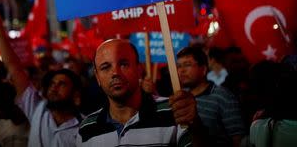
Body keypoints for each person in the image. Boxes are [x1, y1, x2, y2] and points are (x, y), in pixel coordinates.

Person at [76, 39, 207, 146]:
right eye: (105, 67)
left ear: (139, 69)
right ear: (97, 77)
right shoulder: (86, 128)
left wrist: (195, 124)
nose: (115, 73)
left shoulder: (174, 111)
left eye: (124, 64)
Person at [0, 12, 83, 147]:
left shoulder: (86, 128)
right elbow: (14, 67)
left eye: (61, 84)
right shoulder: (37, 109)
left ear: (76, 95)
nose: (53, 87)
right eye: (52, 83)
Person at [177, 46, 246, 147]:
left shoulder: (223, 96)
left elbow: (239, 139)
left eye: (187, 64)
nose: (181, 70)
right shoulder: (180, 97)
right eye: (178, 66)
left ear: (204, 69)